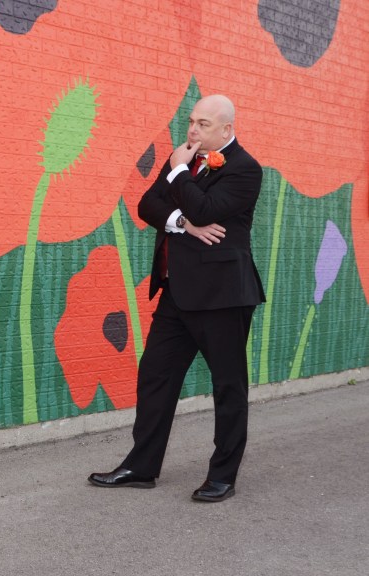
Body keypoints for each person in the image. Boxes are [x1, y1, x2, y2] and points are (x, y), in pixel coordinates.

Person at [88, 94, 265, 502]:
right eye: (191, 121)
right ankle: (141, 467)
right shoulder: (184, 161)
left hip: (223, 296)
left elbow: (206, 209)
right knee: (155, 377)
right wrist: (181, 221)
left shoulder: (244, 169)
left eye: (203, 124)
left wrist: (179, 173)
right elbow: (148, 205)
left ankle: (223, 476)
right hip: (177, 293)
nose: (192, 130)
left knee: (228, 386)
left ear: (226, 129)